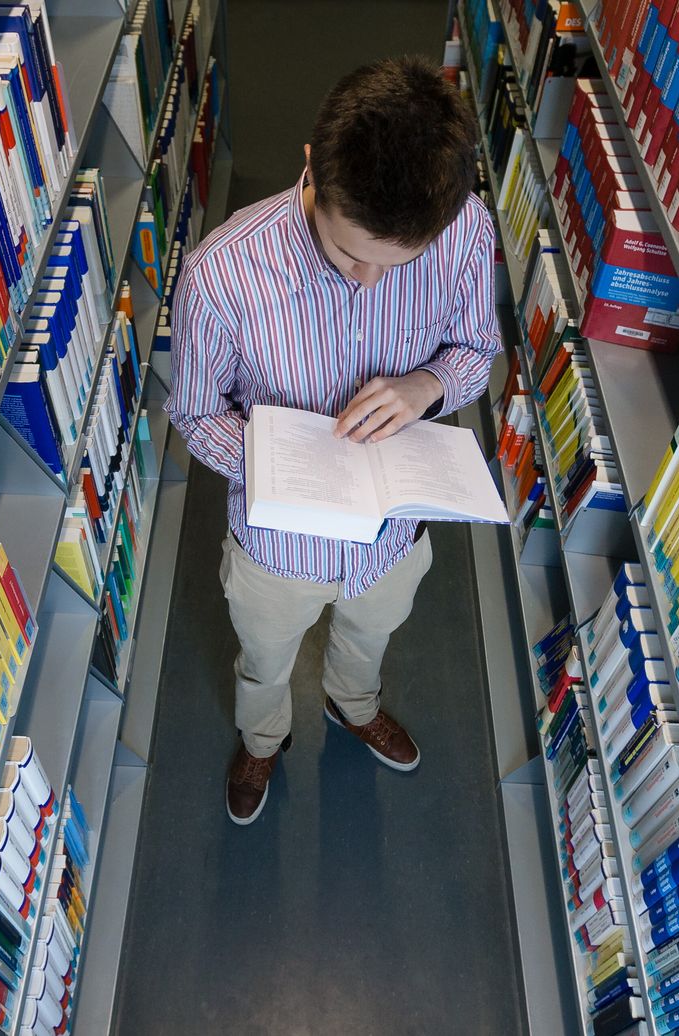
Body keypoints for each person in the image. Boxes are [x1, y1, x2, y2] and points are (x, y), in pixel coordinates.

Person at [166, 56, 501, 825]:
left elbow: (475, 352)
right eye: (350, 255)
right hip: (275, 551)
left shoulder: (465, 231)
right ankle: (263, 737)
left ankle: (355, 706)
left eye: (398, 265)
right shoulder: (221, 276)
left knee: (371, 635)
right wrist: (276, 465)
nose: (369, 281)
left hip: (392, 537)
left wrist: (428, 387)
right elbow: (194, 412)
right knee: (265, 660)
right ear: (311, 168)